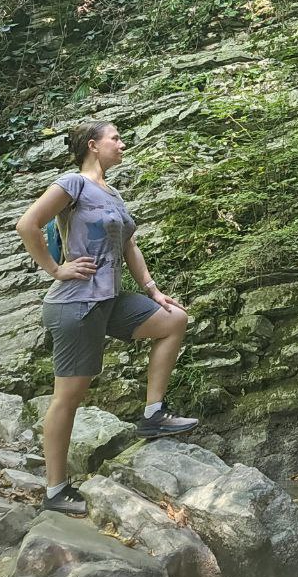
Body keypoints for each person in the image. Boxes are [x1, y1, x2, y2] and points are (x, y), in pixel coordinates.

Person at [15, 119, 198, 516]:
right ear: (93, 146)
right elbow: (27, 224)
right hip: (76, 304)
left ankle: (153, 414)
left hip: (110, 300)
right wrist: (56, 269)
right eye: (115, 138)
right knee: (70, 397)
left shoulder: (111, 193)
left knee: (173, 320)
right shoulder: (73, 183)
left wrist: (151, 289)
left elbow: (129, 242)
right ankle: (55, 489)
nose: (122, 143)